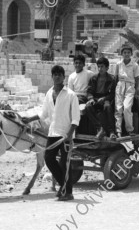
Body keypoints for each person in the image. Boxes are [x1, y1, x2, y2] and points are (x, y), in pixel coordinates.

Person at [22, 65, 80, 201]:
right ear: (52, 76)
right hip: (53, 133)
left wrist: (69, 135)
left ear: (63, 77)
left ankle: (68, 192)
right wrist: (29, 119)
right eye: (55, 74)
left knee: (65, 163)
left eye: (60, 74)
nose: (57, 76)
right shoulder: (49, 93)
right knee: (48, 159)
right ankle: (64, 187)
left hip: (65, 134)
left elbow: (76, 118)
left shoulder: (71, 95)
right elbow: (44, 114)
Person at [114, 43, 139, 138]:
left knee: (126, 108)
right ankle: (118, 131)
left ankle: (130, 129)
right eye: (125, 52)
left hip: (130, 87)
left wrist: (137, 91)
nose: (126, 54)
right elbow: (115, 77)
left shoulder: (135, 65)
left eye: (128, 52)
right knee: (118, 109)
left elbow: (138, 78)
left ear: (131, 54)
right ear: (122, 54)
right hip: (120, 86)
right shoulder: (118, 64)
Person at [85, 57, 116, 139]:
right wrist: (91, 98)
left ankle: (112, 131)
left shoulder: (112, 79)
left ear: (107, 68)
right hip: (95, 99)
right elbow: (89, 91)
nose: (100, 68)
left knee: (107, 106)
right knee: (87, 106)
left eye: (102, 66)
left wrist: (105, 98)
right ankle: (100, 128)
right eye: (98, 66)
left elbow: (113, 94)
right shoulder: (93, 78)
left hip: (106, 99)